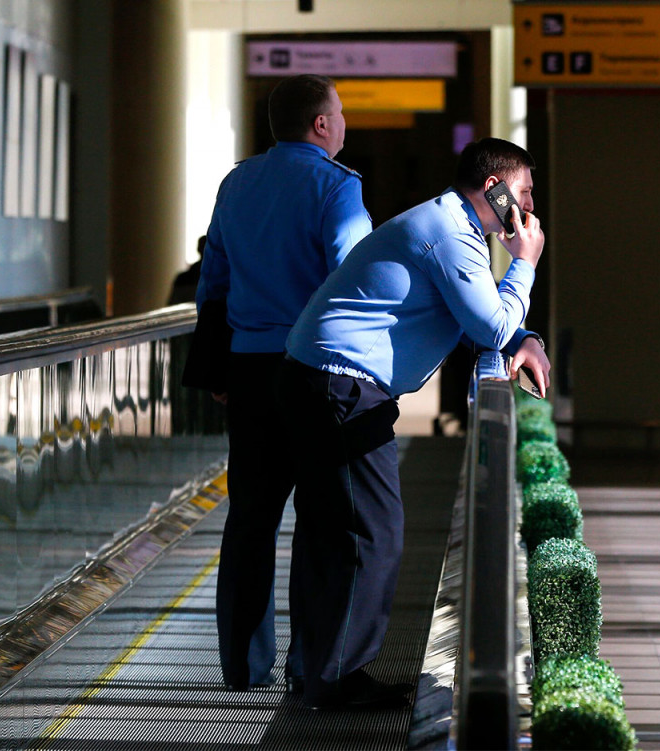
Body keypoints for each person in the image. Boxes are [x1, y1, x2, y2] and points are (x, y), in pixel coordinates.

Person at [279, 137, 551, 710]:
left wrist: (520, 333)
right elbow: (490, 325)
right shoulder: (450, 234)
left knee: (328, 531)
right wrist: (524, 262)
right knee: (372, 534)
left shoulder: (448, 223)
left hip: (321, 378)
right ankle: (335, 681)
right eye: (524, 193)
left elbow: (492, 323)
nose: (529, 210)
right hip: (343, 387)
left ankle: (312, 671)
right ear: (495, 190)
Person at [195, 74, 372, 694]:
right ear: (321, 124)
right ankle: (308, 667)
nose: (344, 122)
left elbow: (211, 278)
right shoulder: (337, 187)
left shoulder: (237, 182)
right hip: (314, 371)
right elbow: (355, 284)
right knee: (323, 519)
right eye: (341, 112)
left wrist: (217, 364)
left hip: (246, 368)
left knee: (250, 517)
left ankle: (241, 668)